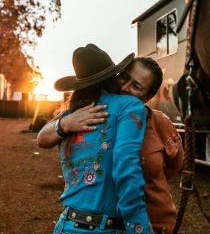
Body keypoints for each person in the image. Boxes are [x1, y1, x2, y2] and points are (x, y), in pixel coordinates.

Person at [38, 56, 183, 234]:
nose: (124, 87)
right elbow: (42, 138)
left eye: (136, 86)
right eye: (123, 77)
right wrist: (65, 123)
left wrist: (148, 181)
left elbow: (174, 166)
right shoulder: (86, 111)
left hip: (149, 219)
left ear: (148, 97)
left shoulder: (158, 121)